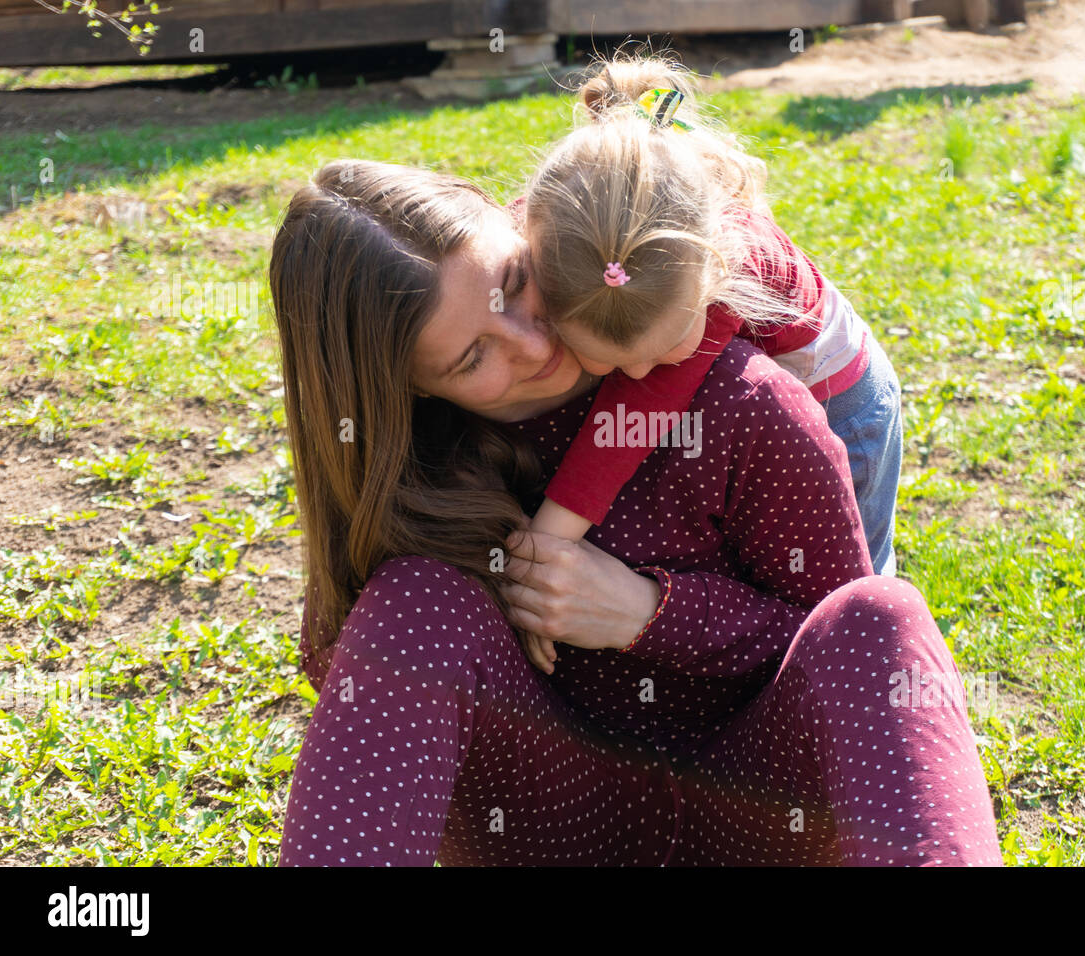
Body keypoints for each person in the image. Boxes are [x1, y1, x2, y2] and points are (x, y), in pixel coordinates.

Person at [270, 158, 1001, 866]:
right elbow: (349, 671)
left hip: (765, 820)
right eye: (472, 358)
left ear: (518, 222)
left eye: (517, 285)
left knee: (881, 615)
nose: (532, 343)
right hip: (553, 834)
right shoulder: (415, 475)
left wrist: (648, 612)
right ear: (410, 389)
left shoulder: (739, 406)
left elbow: (831, 654)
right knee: (412, 604)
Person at [521, 58, 903, 593]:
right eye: (608, 359)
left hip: (846, 403)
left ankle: (884, 644)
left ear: (714, 273)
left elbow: (629, 425)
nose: (635, 371)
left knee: (850, 567)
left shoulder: (719, 271)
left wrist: (542, 551)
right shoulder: (568, 238)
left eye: (665, 347)